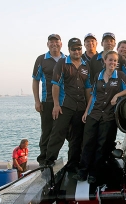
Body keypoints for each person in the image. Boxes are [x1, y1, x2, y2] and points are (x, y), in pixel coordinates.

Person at [73, 50, 126, 183]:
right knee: (87, 143)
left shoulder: (120, 75)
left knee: (101, 146)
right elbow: (93, 95)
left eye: (115, 61)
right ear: (105, 61)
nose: (112, 62)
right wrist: (86, 112)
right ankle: (83, 171)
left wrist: (117, 95)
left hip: (108, 115)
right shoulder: (98, 75)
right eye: (110, 60)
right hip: (94, 113)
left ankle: (94, 174)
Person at [44, 38, 92, 172]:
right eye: (73, 49)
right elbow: (55, 85)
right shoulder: (62, 63)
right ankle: (48, 162)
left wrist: (88, 109)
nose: (76, 51)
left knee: (76, 138)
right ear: (69, 50)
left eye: (79, 49)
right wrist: (56, 105)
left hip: (80, 107)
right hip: (64, 106)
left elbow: (88, 88)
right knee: (58, 134)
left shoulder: (85, 65)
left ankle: (72, 164)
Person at [32, 34, 65, 167]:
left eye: (56, 42)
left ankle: (53, 158)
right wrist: (37, 101)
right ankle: (43, 161)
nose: (54, 44)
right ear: (48, 44)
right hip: (47, 101)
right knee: (46, 131)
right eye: (51, 42)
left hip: (64, 102)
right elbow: (35, 80)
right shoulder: (41, 59)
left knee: (61, 132)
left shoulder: (66, 59)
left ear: (61, 44)